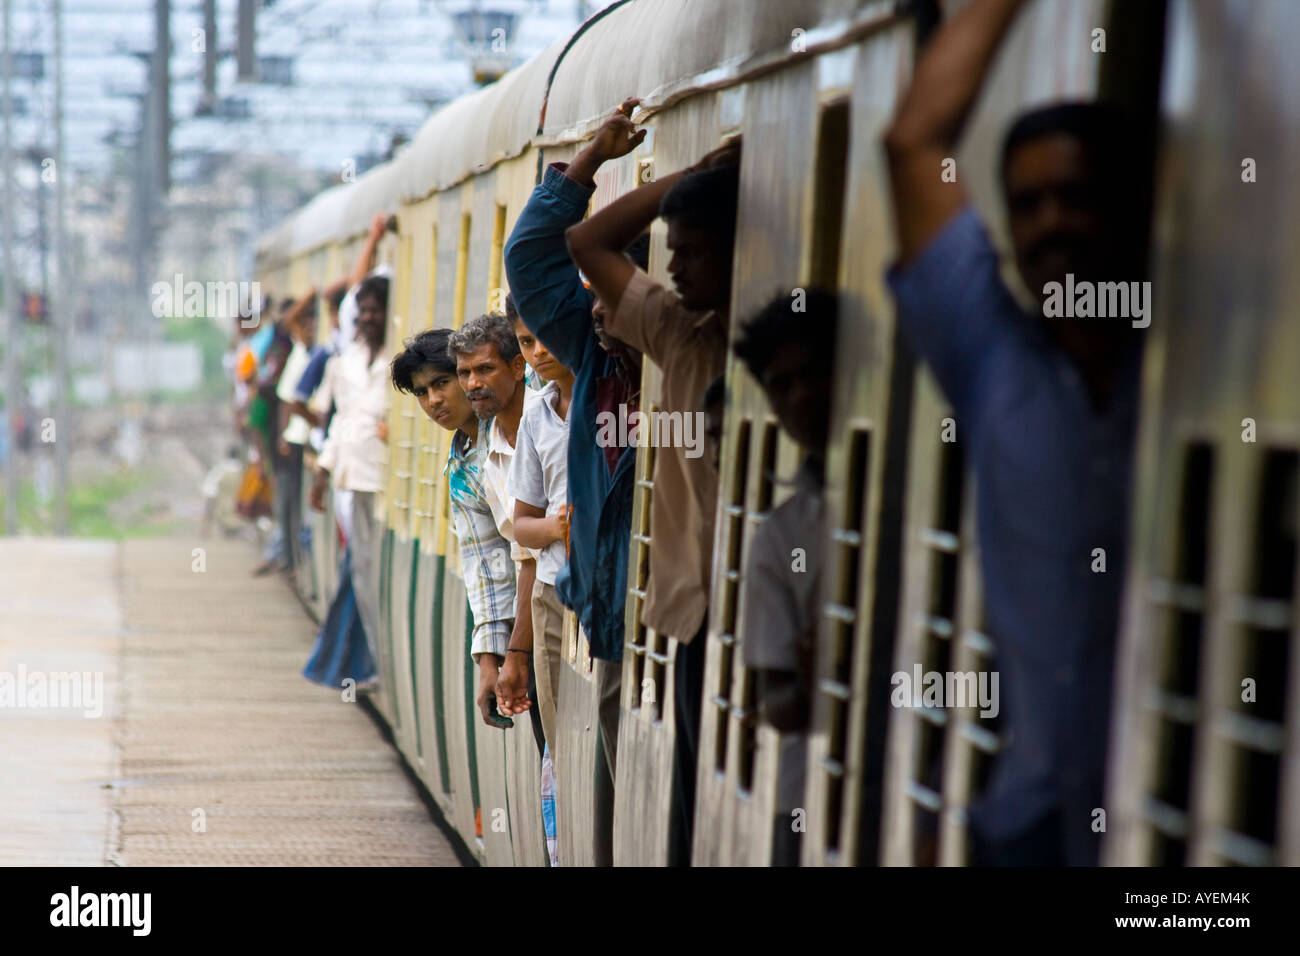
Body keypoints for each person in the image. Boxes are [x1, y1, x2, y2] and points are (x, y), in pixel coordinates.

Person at [882, 0, 1148, 865]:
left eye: (1077, 198)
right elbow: (912, 144)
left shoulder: (1181, 366)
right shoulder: (994, 362)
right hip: (1028, 832)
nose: (1051, 224)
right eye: (1027, 205)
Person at [565, 106, 740, 864]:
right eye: (674, 249)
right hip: (694, 619)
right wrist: (691, 182)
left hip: (745, 617)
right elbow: (586, 241)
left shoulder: (744, 340)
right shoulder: (680, 332)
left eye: (694, 252)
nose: (674, 268)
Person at [504, 99, 651, 865]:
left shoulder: (667, 352)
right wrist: (591, 156)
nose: (589, 309)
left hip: (658, 616)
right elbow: (529, 260)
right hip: (605, 609)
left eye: (606, 288)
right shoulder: (596, 360)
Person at [732, 289, 839, 866]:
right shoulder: (781, 533)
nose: (801, 397)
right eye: (781, 385)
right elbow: (780, 704)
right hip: (807, 796)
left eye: (814, 375)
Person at [445, 313, 537, 732]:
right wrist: (492, 659)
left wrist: (514, 654)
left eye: (485, 369)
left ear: (518, 368)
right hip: (530, 626)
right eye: (464, 373)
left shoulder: (549, 420)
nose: (472, 384)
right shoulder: (478, 460)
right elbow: (492, 566)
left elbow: (538, 556)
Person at [307, 273, 392, 687]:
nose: (369, 317)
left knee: (373, 572)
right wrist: (322, 473)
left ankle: (363, 662)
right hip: (352, 481)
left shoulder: (396, 360)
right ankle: (369, 663)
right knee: (361, 571)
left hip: (387, 483)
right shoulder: (345, 363)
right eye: (364, 311)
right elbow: (338, 422)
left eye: (377, 310)